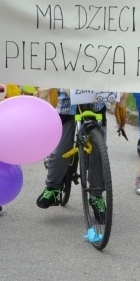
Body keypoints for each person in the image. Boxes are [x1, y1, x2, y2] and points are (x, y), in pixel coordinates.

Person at [36, 89, 108, 222]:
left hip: (96, 101)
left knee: (98, 151)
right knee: (60, 151)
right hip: (66, 104)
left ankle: (96, 195)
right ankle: (53, 187)